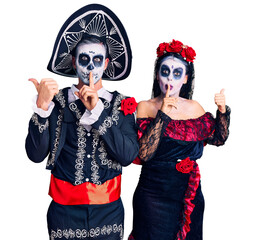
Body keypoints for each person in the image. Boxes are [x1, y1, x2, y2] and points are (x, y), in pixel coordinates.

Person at [25, 4, 139, 240]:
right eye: (84, 58)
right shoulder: (56, 101)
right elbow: (35, 155)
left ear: (106, 64)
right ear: (74, 62)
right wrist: (42, 107)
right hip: (64, 214)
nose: (90, 66)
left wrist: (98, 110)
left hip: (108, 213)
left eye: (97, 60)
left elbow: (128, 156)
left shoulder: (123, 104)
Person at [129, 39, 230, 240]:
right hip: (153, 196)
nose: (170, 79)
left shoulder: (195, 108)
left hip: (187, 194)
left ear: (185, 78)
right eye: (165, 71)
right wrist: (162, 115)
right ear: (157, 75)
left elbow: (218, 138)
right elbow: (144, 154)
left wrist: (222, 111)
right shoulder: (145, 106)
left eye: (177, 73)